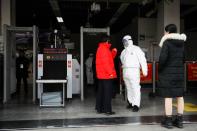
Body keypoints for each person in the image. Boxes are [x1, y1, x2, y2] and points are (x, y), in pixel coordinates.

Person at [158, 24, 186, 129]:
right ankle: (179, 121)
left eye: (165, 32)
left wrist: (160, 70)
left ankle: (168, 121)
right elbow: (183, 59)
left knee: (168, 96)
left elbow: (162, 59)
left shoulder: (167, 43)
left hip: (167, 74)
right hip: (179, 73)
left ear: (167, 32)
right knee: (180, 96)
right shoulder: (182, 43)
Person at [120, 35, 148, 112]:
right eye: (123, 41)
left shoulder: (136, 49)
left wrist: (144, 70)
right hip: (126, 71)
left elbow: (142, 60)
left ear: (129, 40)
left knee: (135, 88)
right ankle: (131, 102)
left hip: (134, 71)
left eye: (125, 41)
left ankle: (136, 104)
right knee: (128, 88)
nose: (124, 43)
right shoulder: (123, 51)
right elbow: (122, 60)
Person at [95, 34, 117, 115]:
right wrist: (110, 73)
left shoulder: (101, 48)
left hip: (101, 75)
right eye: (109, 40)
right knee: (107, 93)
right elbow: (106, 63)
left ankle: (99, 108)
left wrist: (113, 52)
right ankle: (107, 110)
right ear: (107, 40)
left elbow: (108, 59)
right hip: (106, 75)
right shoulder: (104, 49)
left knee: (101, 92)